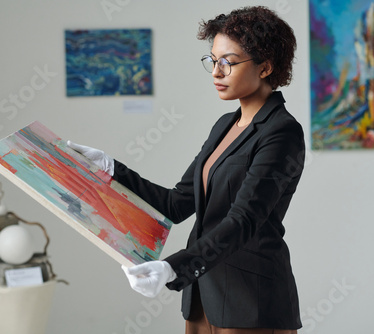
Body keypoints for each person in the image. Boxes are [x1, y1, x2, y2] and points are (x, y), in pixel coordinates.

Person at [68, 6, 304, 334]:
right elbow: (176, 203)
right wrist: (111, 169)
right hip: (202, 297)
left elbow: (242, 222)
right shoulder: (225, 125)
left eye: (228, 62)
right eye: (213, 60)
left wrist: (172, 268)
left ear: (265, 67)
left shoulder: (281, 132)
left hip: (251, 303)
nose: (216, 72)